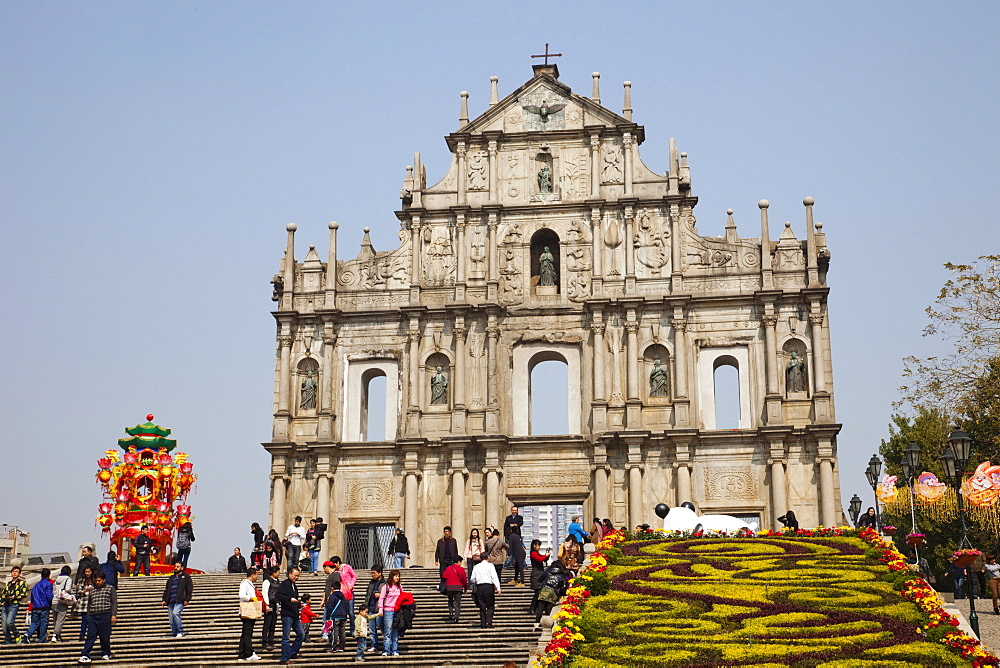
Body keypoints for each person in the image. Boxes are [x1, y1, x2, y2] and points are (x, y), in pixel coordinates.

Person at [77, 570, 117, 664]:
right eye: (96, 580)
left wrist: (113, 615)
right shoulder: (92, 589)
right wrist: (88, 615)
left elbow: (114, 602)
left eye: (99, 580)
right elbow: (89, 603)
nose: (97, 582)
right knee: (91, 635)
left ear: (104, 580)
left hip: (105, 614)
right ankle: (85, 654)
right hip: (93, 616)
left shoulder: (110, 588)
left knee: (104, 636)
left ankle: (106, 653)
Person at [275, 566, 304, 666]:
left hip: (294, 614)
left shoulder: (293, 585)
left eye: (298, 576)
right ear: (290, 574)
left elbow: (294, 599)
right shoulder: (284, 584)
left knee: (301, 634)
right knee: (286, 637)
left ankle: (292, 652)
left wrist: (299, 604)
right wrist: (289, 599)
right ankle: (285, 658)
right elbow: (278, 596)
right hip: (287, 614)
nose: (296, 578)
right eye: (295, 575)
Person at [161, 558, 193, 639]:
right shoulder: (171, 578)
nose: (176, 568)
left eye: (178, 566)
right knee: (171, 619)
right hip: (170, 600)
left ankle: (181, 631)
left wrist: (187, 599)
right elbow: (167, 589)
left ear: (182, 568)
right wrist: (164, 600)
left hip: (180, 599)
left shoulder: (186, 577)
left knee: (176, 613)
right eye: (175, 566)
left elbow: (189, 589)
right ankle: (174, 633)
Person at [469, 553, 501, 628]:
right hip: (488, 587)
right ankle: (488, 622)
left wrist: (477, 581)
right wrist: (498, 588)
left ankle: (483, 623)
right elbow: (494, 577)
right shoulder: (490, 566)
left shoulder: (476, 566)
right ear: (487, 558)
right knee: (490, 605)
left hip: (479, 587)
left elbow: (472, 579)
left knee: (482, 606)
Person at [238, 566, 263, 662]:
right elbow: (241, 595)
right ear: (253, 575)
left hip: (250, 610)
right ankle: (249, 653)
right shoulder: (245, 583)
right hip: (247, 610)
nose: (257, 577)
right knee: (248, 633)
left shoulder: (250, 584)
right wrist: (251, 598)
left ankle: (242, 654)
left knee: (245, 633)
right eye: (256, 575)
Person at [377, 569, 403, 656]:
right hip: (388, 610)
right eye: (396, 576)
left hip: (397, 611)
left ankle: (395, 650)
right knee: (388, 631)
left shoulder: (399, 587)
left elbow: (402, 598)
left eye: (398, 576)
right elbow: (381, 598)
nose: (397, 578)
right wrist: (381, 609)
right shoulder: (386, 587)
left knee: (395, 631)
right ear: (391, 577)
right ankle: (386, 650)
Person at [24, 567, 53, 643]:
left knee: (35, 622)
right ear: (49, 575)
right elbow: (49, 596)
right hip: (44, 606)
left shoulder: (36, 585)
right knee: (44, 623)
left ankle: (28, 633)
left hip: (35, 606)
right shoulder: (48, 584)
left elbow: (32, 596)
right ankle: (42, 638)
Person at [1, 565, 28, 644]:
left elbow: (24, 594)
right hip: (6, 605)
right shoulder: (8, 584)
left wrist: (15, 597)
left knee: (10, 622)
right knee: (4, 625)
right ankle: (8, 640)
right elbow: (3, 594)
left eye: (16, 572)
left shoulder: (22, 583)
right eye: (13, 572)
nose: (15, 573)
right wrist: (3, 599)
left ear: (19, 574)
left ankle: (17, 635)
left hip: (14, 604)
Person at [535, 560, 568, 625]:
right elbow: (563, 587)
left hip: (544, 590)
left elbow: (539, 579)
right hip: (553, 592)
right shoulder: (562, 575)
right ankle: (548, 624)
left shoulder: (547, 571)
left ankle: (536, 623)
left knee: (540, 608)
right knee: (549, 610)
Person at [331, 556, 358, 634]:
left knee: (351, 612)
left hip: (349, 591)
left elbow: (354, 576)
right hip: (341, 593)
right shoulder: (335, 571)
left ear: (338, 562)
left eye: (334, 564)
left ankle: (352, 629)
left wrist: (351, 585)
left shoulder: (347, 567)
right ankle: (341, 630)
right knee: (343, 611)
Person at [50, 565, 74, 643]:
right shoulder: (68, 579)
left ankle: (58, 636)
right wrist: (72, 592)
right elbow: (67, 589)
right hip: (62, 601)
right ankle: (55, 635)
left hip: (54, 601)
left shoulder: (57, 579)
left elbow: (54, 590)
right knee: (60, 620)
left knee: (55, 620)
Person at [363, 567, 385, 655]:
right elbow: (367, 595)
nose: (373, 575)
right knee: (372, 629)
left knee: (381, 625)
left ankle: (387, 643)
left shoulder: (385, 583)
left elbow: (389, 595)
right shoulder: (371, 583)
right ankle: (374, 645)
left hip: (380, 608)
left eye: (374, 573)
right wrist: (366, 607)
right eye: (372, 573)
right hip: (371, 608)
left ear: (380, 573)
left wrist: (380, 595)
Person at [320, 560, 342, 642]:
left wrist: (332, 596)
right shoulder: (330, 576)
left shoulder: (336, 574)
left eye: (324, 568)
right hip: (328, 600)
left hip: (332, 600)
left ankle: (327, 634)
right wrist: (323, 599)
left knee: (328, 617)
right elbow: (326, 589)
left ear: (326, 567)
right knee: (326, 617)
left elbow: (336, 586)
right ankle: (326, 633)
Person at [324, 581, 348, 652]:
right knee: (342, 631)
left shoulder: (332, 596)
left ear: (332, 588)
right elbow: (345, 607)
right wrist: (345, 616)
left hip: (335, 616)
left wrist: (327, 618)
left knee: (335, 631)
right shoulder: (343, 596)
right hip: (343, 616)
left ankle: (334, 647)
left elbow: (330, 607)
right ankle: (342, 647)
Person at [442, 558, 468, 623]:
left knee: (450, 600)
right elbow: (464, 580)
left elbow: (444, 576)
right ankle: (456, 617)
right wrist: (465, 588)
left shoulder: (448, 568)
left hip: (449, 587)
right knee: (457, 603)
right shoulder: (461, 569)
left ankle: (451, 613)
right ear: (459, 561)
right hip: (458, 588)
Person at [529, 539, 551, 615]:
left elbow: (543, 559)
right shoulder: (533, 553)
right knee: (537, 592)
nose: (539, 547)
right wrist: (546, 556)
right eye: (538, 545)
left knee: (540, 592)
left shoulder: (537, 553)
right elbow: (540, 559)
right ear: (534, 545)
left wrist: (547, 553)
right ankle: (532, 608)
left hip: (540, 573)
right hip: (536, 574)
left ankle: (537, 608)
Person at [260, 566, 280, 651]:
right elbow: (264, 593)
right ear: (274, 573)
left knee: (273, 624)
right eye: (278, 572)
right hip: (269, 603)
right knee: (267, 624)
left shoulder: (277, 581)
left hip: (275, 603)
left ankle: (271, 641)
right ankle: (265, 641)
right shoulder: (267, 581)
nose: (279, 574)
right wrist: (266, 605)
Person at [434, 526, 460, 590]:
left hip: (451, 560)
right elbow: (437, 551)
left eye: (448, 532)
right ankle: (443, 588)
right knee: (443, 574)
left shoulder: (453, 541)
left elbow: (456, 551)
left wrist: (456, 560)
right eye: (446, 532)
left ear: (450, 532)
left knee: (451, 574)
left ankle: (449, 588)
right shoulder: (440, 541)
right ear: (444, 532)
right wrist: (436, 560)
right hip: (443, 560)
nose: (447, 533)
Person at [75, 565, 96, 642]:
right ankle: (82, 635)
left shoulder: (94, 580)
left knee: (91, 621)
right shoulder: (81, 580)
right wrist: (85, 590)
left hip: (92, 602)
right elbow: (78, 592)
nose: (87, 573)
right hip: (84, 602)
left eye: (89, 572)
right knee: (84, 620)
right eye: (86, 572)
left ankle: (91, 635)